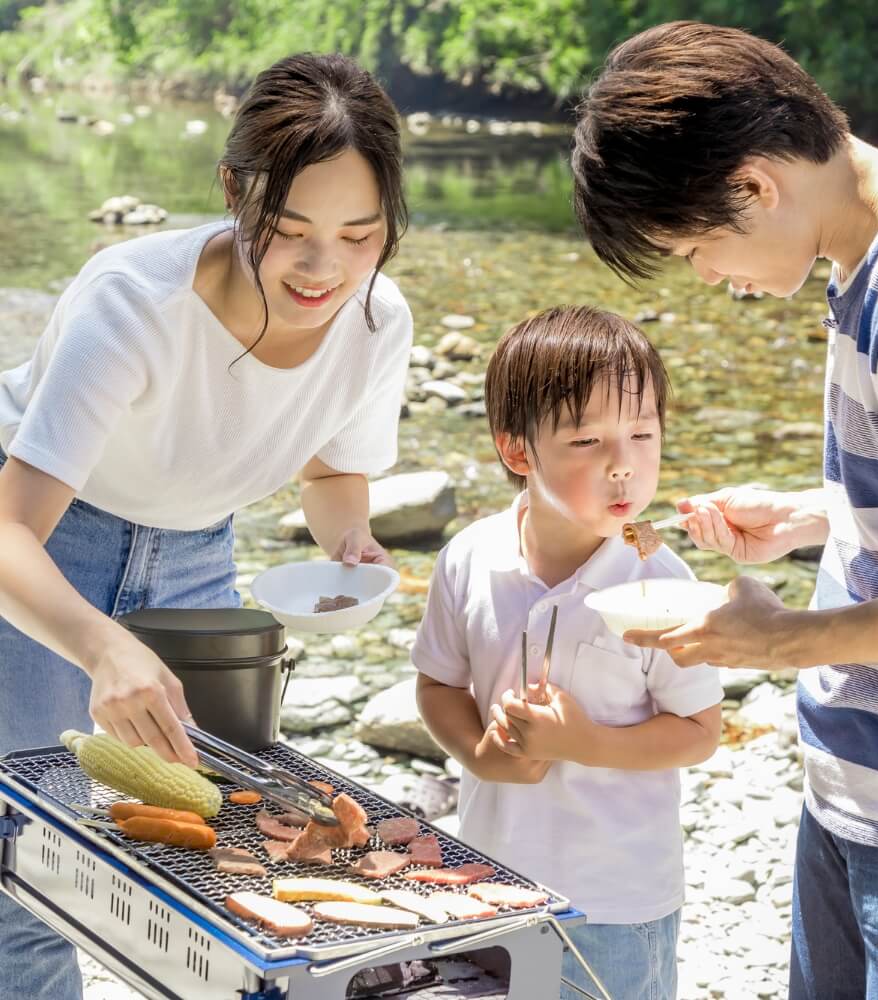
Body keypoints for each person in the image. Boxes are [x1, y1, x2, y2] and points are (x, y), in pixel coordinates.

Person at [572, 20, 878, 1000]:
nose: (710, 280)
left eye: (696, 249)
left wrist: (778, 642)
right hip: (873, 786)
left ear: (756, 186)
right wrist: (820, 513)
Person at [0, 52, 412, 1000]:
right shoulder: (133, 303)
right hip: (50, 546)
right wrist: (103, 648)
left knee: (220, 837)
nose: (326, 268)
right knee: (29, 855)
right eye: (293, 229)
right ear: (235, 190)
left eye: (360, 234)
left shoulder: (380, 322)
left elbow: (334, 465)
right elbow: (11, 528)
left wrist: (347, 544)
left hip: (196, 557)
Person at [412, 305, 722, 1000]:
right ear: (520, 451)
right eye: (587, 440)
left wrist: (585, 742)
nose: (623, 466)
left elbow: (700, 732)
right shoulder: (470, 558)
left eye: (643, 435)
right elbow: (437, 685)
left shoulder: (660, 582)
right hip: (487, 882)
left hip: (614, 901)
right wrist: (479, 755)